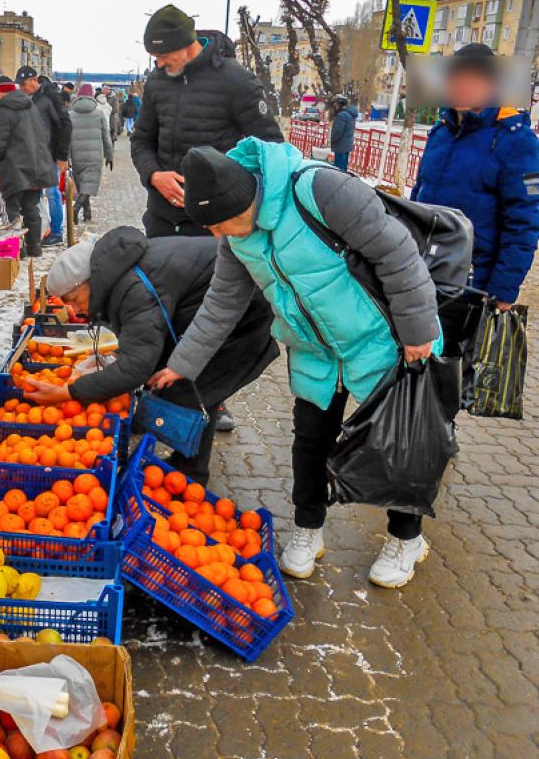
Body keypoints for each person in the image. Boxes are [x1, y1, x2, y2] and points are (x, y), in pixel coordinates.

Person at [151, 141, 443, 588]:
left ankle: (407, 537)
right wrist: (182, 365)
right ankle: (308, 529)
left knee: (397, 443)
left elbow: (398, 254)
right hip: (315, 349)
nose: (215, 235)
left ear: (242, 203)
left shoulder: (320, 190)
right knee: (310, 440)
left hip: (381, 339)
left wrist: (418, 331)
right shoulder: (236, 239)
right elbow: (221, 305)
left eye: (217, 223)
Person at [24, 228, 278, 483]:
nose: (75, 309)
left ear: (86, 281)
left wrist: (68, 393)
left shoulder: (133, 287)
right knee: (172, 371)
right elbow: (142, 341)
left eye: (74, 298)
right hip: (203, 304)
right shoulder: (116, 271)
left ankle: (190, 470)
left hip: (242, 308)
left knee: (196, 383)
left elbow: (137, 366)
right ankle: (166, 439)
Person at [411, 42, 539, 364]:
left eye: (472, 80)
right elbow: (418, 194)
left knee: (443, 373)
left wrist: (504, 288)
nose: (461, 87)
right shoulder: (440, 132)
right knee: (405, 366)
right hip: (417, 274)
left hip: (468, 285)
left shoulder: (517, 140)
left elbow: (525, 220)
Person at [131, 4, 283, 239]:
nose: (159, 64)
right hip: (161, 219)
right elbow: (141, 140)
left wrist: (231, 196)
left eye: (163, 56)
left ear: (183, 45)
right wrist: (153, 176)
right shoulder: (156, 81)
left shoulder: (237, 80)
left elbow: (270, 148)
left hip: (213, 227)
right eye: (155, 58)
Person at [0, 76, 57, 259]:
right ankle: (34, 247)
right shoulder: (29, 105)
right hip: (36, 166)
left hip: (15, 167)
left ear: (1, 93)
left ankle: (17, 249)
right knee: (31, 208)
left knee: (10, 209)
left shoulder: (3, 110)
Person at [16, 65, 71, 247]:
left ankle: (56, 232)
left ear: (34, 80)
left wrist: (62, 155)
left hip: (49, 154)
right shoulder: (31, 98)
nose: (22, 88)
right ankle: (40, 230)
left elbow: (65, 125)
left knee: (53, 193)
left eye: (24, 84)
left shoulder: (50, 98)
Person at [69, 83, 113, 223]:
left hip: (76, 155)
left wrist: (66, 157)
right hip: (94, 156)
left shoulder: (70, 115)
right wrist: (109, 155)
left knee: (82, 184)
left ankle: (87, 213)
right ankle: (76, 209)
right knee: (88, 184)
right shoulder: (98, 114)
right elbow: (106, 137)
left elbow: (66, 138)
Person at [329, 94, 358, 172]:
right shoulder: (350, 115)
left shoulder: (341, 115)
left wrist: (332, 141)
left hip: (340, 146)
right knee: (344, 168)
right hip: (347, 146)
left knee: (338, 169)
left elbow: (337, 131)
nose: (335, 107)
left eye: (336, 105)